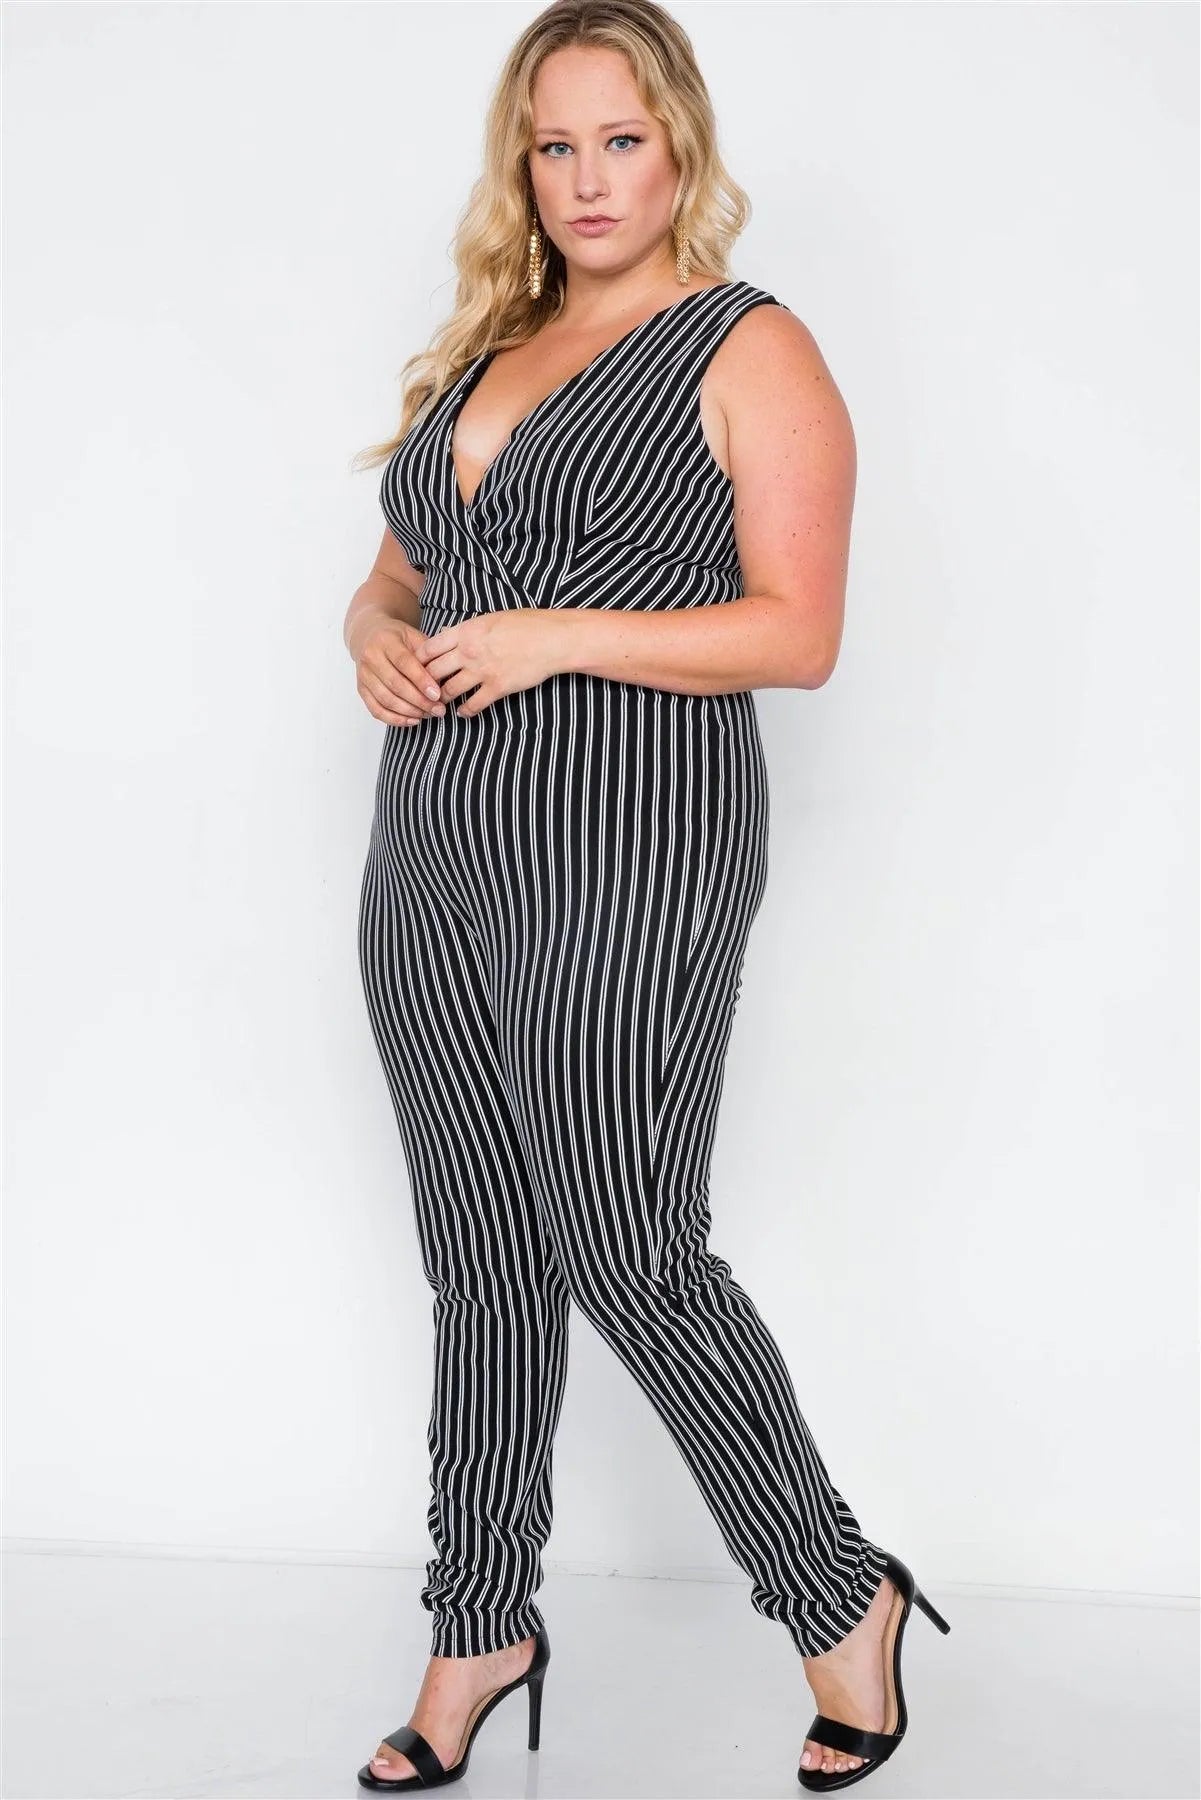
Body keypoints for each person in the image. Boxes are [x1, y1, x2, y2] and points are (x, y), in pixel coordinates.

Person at [345, 2, 949, 1791]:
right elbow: (397, 574)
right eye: (555, 145)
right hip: (430, 837)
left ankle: (838, 1594)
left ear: (678, 143)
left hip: (631, 835)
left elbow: (799, 631)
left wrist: (554, 637)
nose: (589, 178)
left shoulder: (746, 344)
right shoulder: (490, 344)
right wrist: (372, 631)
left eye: (621, 139)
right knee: (479, 1253)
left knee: (624, 1238)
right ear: (520, 164)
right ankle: (478, 1622)